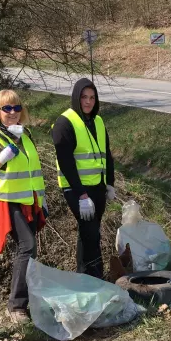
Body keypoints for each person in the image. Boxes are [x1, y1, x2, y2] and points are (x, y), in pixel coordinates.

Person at [0, 90, 46, 324]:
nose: (13, 113)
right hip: (7, 201)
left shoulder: (26, 135)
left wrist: (41, 203)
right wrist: (0, 160)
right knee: (27, 246)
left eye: (16, 108)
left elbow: (32, 172)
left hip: (28, 200)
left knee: (27, 249)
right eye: (7, 109)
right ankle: (16, 306)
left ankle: (27, 299)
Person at [51, 78, 116, 279]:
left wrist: (110, 183)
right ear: (76, 97)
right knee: (92, 235)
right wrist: (81, 195)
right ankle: (96, 280)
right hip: (77, 189)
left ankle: (83, 277)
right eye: (84, 97)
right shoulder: (64, 123)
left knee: (88, 233)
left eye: (92, 97)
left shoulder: (97, 121)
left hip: (97, 186)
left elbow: (106, 153)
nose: (88, 102)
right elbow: (66, 163)